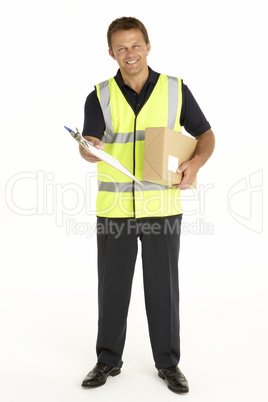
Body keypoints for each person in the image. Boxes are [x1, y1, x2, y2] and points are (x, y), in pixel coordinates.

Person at [79, 16, 215, 394]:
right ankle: (107, 359)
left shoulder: (175, 90)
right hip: (116, 209)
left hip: (161, 207)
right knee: (112, 289)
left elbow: (205, 134)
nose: (130, 53)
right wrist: (88, 149)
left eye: (135, 44)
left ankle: (169, 364)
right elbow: (88, 142)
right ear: (111, 53)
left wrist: (196, 162)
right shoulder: (99, 95)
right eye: (121, 47)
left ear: (148, 45)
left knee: (163, 289)